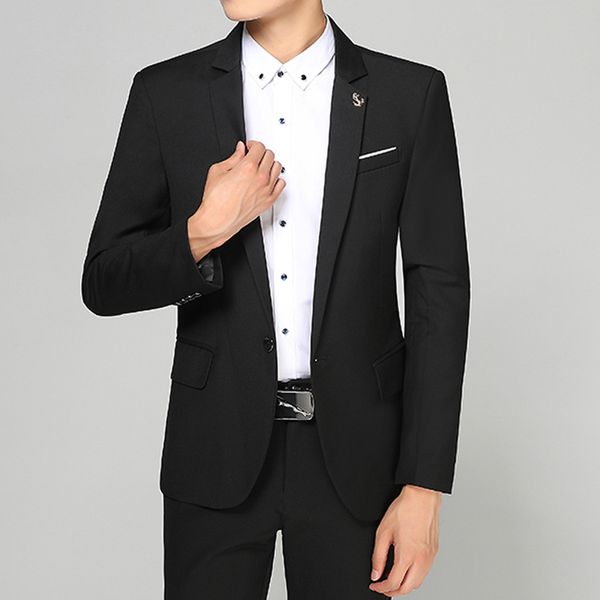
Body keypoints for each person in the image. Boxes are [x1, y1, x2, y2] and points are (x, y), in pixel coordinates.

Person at [81, 1, 470, 597]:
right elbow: (104, 281)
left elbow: (438, 295)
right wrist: (204, 229)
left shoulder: (409, 94)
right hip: (214, 449)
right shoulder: (166, 93)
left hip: (358, 459)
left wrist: (423, 486)